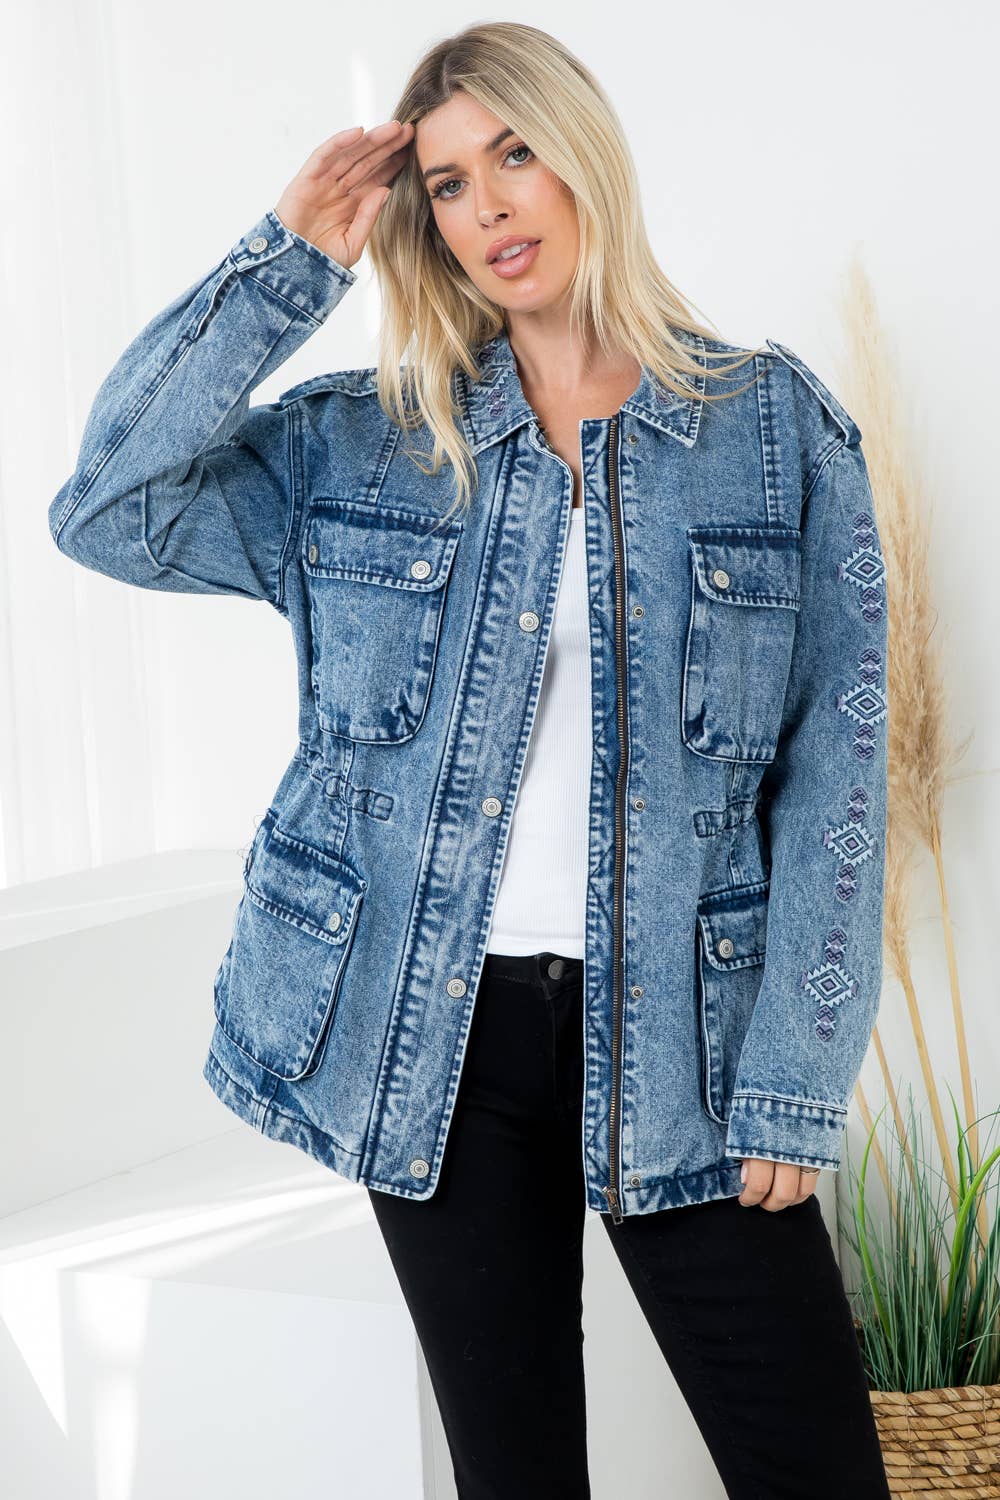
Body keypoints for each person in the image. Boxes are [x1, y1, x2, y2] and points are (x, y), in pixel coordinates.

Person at [48, 20, 891, 1499]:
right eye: (445, 183)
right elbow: (107, 506)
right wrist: (285, 262)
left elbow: (839, 767)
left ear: (585, 156)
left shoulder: (769, 430)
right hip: (432, 1039)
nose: (489, 206)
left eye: (514, 154)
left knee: (815, 1471)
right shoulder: (366, 443)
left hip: (687, 1043)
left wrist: (796, 1076)